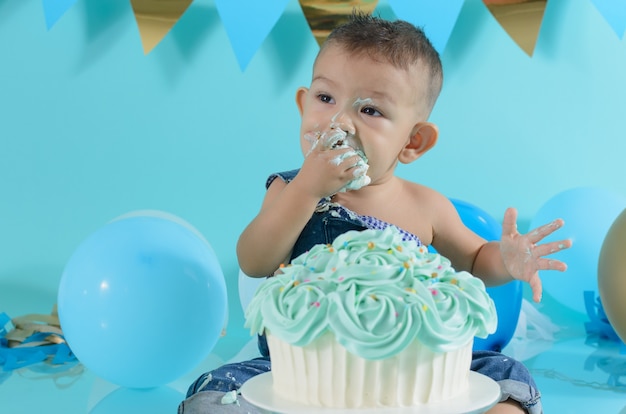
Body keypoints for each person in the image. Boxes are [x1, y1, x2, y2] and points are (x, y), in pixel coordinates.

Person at [178, 11, 571, 414]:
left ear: (413, 141)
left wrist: (506, 259)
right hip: (299, 370)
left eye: (370, 111)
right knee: (216, 391)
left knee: (508, 375)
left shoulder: (424, 205)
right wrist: (308, 190)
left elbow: (473, 259)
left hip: (408, 371)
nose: (339, 121)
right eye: (325, 98)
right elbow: (255, 260)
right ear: (303, 104)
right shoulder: (289, 189)